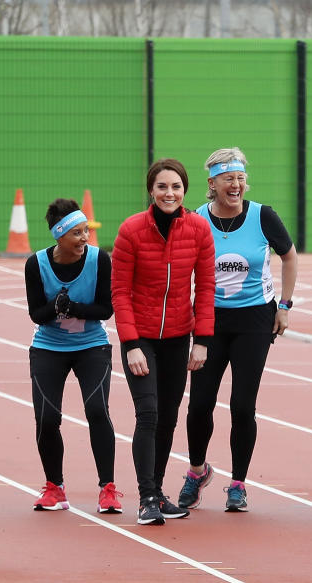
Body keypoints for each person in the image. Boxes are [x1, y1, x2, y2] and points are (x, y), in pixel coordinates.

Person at [177, 148, 298, 513]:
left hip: (254, 321)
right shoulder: (195, 219)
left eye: (241, 177)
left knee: (242, 406)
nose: (236, 184)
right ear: (211, 184)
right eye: (228, 178)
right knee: (200, 404)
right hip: (209, 321)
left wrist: (285, 306)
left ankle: (238, 483)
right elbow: (182, 269)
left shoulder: (263, 216)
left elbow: (289, 256)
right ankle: (197, 471)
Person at [111, 158, 216, 526]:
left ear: (184, 190)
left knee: (169, 418)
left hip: (177, 336)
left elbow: (205, 288)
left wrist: (201, 340)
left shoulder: (200, 230)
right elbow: (119, 292)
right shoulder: (131, 230)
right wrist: (131, 342)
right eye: (162, 187)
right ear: (151, 191)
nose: (169, 193)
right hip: (140, 338)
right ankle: (145, 498)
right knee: (149, 414)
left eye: (175, 187)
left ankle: (157, 491)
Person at [25, 198, 122, 514]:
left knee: (97, 410)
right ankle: (55, 488)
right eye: (77, 233)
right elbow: (35, 314)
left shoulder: (99, 260)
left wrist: (75, 308)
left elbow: (106, 309)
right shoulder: (36, 264)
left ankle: (107, 489)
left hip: (91, 345)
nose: (85, 239)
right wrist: (55, 307)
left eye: (86, 231)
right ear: (59, 235)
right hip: (49, 348)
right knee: (47, 418)